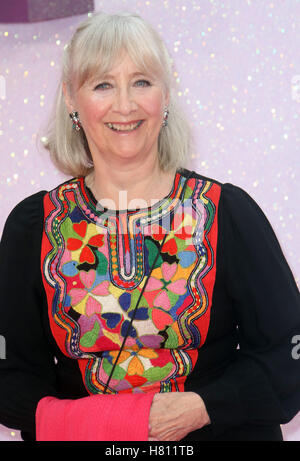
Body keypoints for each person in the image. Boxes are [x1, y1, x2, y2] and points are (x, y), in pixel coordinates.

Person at [0, 11, 299, 442]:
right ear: (71, 99)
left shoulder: (228, 213)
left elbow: (289, 355)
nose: (125, 104)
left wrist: (202, 408)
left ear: (166, 94)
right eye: (103, 84)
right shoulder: (35, 226)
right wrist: (111, 423)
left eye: (142, 81)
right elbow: (10, 378)